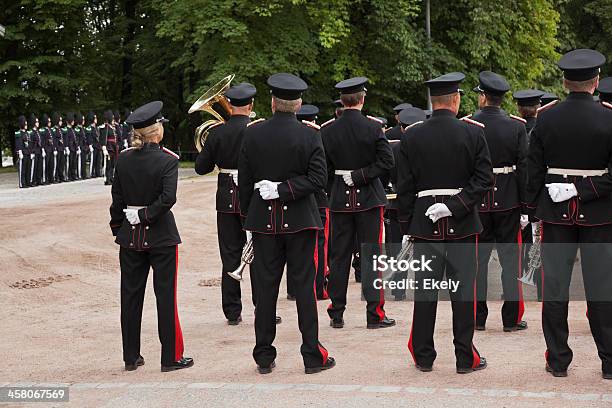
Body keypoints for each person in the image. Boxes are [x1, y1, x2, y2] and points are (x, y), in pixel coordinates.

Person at [238, 73, 335, 375]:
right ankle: (311, 355)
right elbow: (319, 180)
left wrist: (248, 218)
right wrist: (289, 190)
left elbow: (244, 183)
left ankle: (264, 356)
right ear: (298, 103)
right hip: (300, 222)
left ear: (272, 102)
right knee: (305, 290)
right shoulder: (310, 135)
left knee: (265, 292)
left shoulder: (253, 134)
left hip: (264, 222)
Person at [396, 72, 491, 373]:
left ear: (432, 102)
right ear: (455, 99)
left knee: (425, 293)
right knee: (463, 295)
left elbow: (404, 187)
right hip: (462, 223)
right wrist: (456, 206)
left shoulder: (411, 135)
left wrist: (407, 226)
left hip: (424, 224)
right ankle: (465, 358)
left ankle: (423, 356)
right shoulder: (473, 133)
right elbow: (484, 179)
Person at [526, 49, 612, 379]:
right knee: (602, 289)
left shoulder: (546, 118)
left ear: (564, 82)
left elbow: (533, 169)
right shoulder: (609, 117)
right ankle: (609, 361)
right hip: (600, 214)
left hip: (556, 210)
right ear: (597, 81)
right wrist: (587, 189)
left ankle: (558, 360)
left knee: (556, 289)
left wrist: (532, 209)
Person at [109, 100, 193, 372]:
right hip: (161, 236)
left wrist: (120, 230)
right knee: (165, 297)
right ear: (157, 131)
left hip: (131, 237)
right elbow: (168, 198)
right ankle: (170, 358)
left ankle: (130, 357)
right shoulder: (168, 160)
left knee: (130, 297)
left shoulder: (123, 159)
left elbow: (117, 200)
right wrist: (146, 216)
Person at [322, 76, 396, 329]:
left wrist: (341, 182)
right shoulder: (374, 127)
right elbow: (387, 162)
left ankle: (337, 312)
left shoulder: (327, 130)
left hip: (340, 200)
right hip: (369, 199)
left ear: (342, 102)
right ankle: (375, 314)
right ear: (362, 99)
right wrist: (362, 176)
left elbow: (324, 169)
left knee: (339, 257)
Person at [194, 82, 260, 325]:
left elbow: (201, 168)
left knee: (230, 254)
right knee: (260, 253)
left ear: (229, 104)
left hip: (225, 199)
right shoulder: (257, 129)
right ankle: (262, 307)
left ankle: (232, 312)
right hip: (252, 197)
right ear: (251, 105)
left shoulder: (217, 133)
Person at [471, 71, 529, 332]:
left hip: (477, 200)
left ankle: (477, 317)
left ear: (483, 97)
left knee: (476, 262)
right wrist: (526, 206)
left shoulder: (470, 123)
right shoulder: (517, 126)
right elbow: (524, 169)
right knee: (511, 262)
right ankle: (511, 318)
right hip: (508, 199)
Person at [387, 107, 427, 301]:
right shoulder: (428, 146)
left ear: (402, 128)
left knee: (397, 248)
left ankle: (398, 287)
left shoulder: (395, 148)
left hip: (399, 204)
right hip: (422, 203)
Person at [297, 104, 329, 300]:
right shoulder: (316, 136)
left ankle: (294, 289)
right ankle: (318, 287)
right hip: (316, 198)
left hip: (294, 198)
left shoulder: (291, 135)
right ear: (314, 120)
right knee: (318, 245)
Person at [100, 110, 118, 185]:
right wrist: (104, 147)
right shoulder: (106, 127)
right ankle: (108, 179)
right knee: (108, 164)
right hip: (109, 147)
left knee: (112, 164)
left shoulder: (112, 127)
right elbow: (104, 137)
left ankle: (111, 177)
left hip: (113, 147)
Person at [15, 115, 31, 188]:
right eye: (25, 124)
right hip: (22, 153)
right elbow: (18, 143)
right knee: (22, 169)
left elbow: (29, 144)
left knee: (28, 168)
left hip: (27, 152)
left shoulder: (27, 133)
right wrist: (20, 152)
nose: (26, 126)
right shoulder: (18, 133)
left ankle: (27, 182)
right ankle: (22, 183)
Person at [27, 114, 42, 186]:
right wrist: (31, 152)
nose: (38, 123)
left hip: (39, 151)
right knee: (34, 167)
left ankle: (38, 180)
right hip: (34, 151)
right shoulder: (31, 132)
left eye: (38, 122)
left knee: (39, 167)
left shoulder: (37, 132)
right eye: (36, 122)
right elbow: (30, 144)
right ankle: (32, 181)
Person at [40, 114, 55, 184]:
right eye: (48, 121)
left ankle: (51, 178)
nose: (50, 123)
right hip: (46, 149)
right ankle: (44, 179)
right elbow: (42, 141)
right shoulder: (43, 130)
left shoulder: (50, 130)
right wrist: (43, 149)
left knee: (51, 165)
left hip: (51, 149)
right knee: (45, 165)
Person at [52, 113, 66, 183]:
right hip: (57, 149)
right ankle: (56, 177)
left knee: (61, 164)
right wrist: (55, 149)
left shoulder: (60, 129)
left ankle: (61, 176)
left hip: (61, 149)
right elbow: (54, 140)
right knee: (56, 164)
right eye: (60, 120)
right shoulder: (54, 130)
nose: (61, 122)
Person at [64, 112, 78, 181]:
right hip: (70, 147)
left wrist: (77, 147)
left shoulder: (72, 129)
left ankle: (73, 175)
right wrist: (66, 148)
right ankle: (68, 176)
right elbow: (66, 139)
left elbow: (75, 139)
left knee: (73, 163)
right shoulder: (66, 130)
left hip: (74, 148)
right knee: (69, 163)